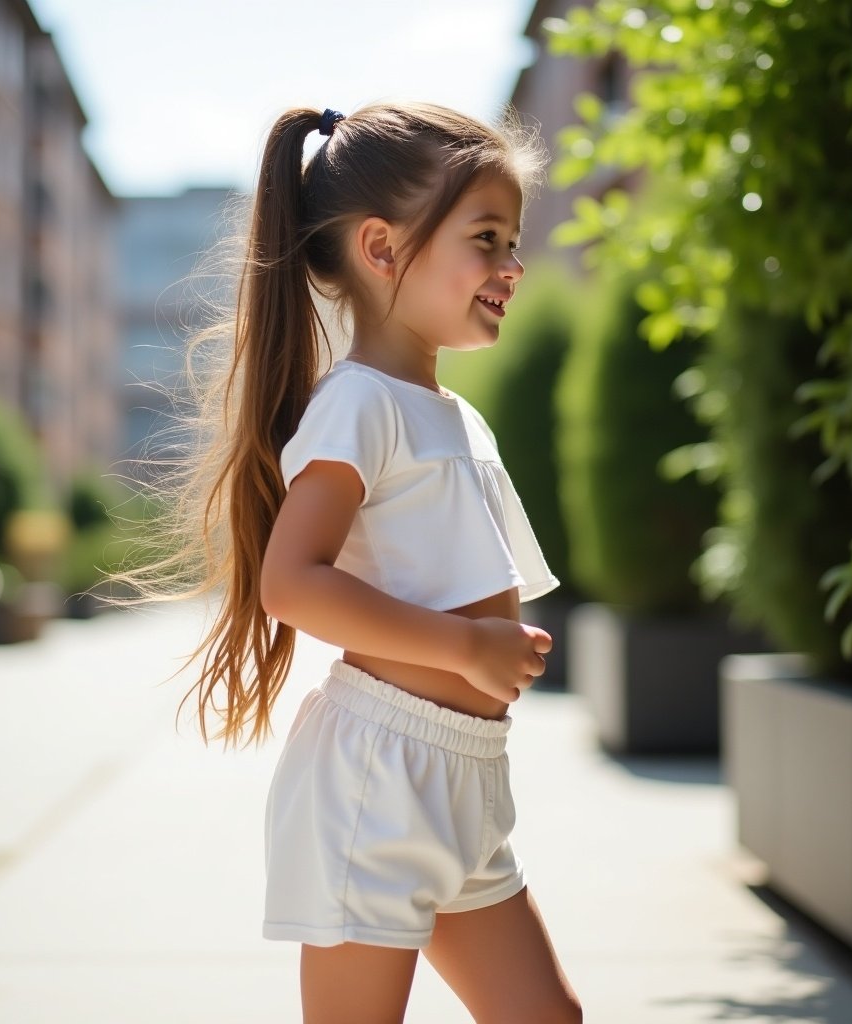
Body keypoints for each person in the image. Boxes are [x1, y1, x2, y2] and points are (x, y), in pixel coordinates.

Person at [133, 101, 583, 1024]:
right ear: (382, 249)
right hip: (380, 777)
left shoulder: (454, 414)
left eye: (514, 240)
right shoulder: (359, 406)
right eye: (487, 237)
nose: (513, 265)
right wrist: (463, 653)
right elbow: (292, 582)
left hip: (466, 774)